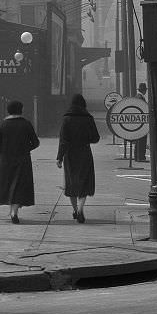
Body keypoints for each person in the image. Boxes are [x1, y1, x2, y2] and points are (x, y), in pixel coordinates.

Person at [0, 99, 40, 223]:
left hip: (6, 159)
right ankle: (14, 212)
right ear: (21, 110)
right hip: (23, 159)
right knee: (19, 185)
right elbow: (35, 142)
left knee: (8, 184)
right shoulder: (26, 124)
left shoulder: (4, 124)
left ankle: (12, 211)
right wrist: (24, 148)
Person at [56, 93, 100, 223]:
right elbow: (95, 138)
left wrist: (59, 157)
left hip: (70, 154)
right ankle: (81, 209)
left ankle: (75, 210)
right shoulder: (88, 118)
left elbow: (63, 140)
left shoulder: (66, 119)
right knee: (84, 182)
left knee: (72, 182)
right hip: (85, 153)